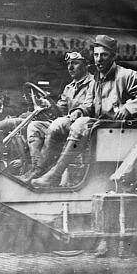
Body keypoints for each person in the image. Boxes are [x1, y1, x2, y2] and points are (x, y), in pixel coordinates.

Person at [31, 35, 137, 188]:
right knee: (59, 123)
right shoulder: (97, 79)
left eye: (104, 55)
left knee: (81, 124)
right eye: (96, 55)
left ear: (113, 56)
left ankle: (55, 174)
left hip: (119, 127)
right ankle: (39, 171)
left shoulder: (125, 75)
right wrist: (80, 110)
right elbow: (89, 105)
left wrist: (128, 108)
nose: (99, 59)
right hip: (101, 126)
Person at [20, 51, 94, 182]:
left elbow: (90, 104)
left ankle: (41, 170)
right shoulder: (69, 87)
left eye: (75, 63)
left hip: (84, 127)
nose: (70, 67)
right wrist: (45, 104)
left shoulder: (93, 83)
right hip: (66, 125)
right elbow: (59, 109)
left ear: (86, 65)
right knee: (34, 127)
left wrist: (79, 110)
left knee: (57, 124)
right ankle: (36, 168)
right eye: (69, 64)